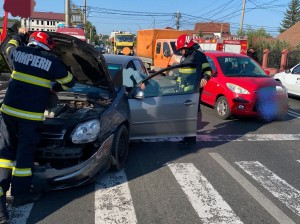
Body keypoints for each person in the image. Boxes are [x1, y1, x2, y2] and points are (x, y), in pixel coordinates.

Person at [0, 29, 75, 223]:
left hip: (8, 113)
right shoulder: (51, 61)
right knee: (24, 155)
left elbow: (7, 46)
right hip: (30, 118)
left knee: (4, 156)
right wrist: (53, 87)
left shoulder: (19, 53)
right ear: (48, 45)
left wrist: (19, 35)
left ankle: (1, 202)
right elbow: (69, 82)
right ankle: (20, 194)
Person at [175, 34, 212, 149]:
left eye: (181, 49)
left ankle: (190, 142)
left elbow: (208, 69)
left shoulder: (198, 55)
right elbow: (182, 73)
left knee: (190, 116)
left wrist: (205, 78)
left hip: (193, 91)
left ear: (187, 46)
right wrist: (177, 86)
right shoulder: (185, 56)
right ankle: (186, 138)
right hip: (184, 91)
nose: (180, 51)